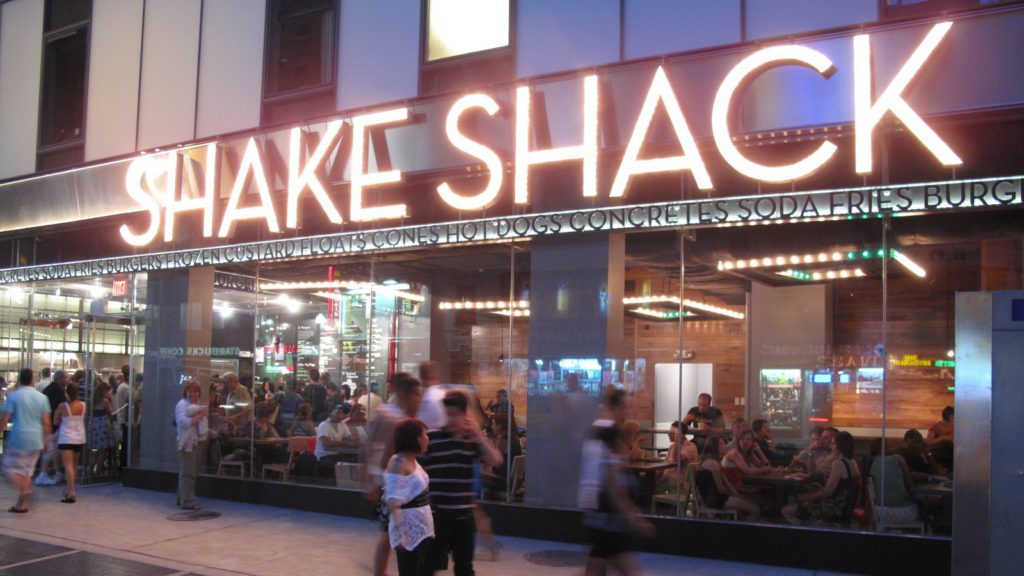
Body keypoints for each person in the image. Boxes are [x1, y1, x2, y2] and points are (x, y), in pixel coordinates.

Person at [418, 390, 502, 576]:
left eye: (455, 414)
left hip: (463, 517)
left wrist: (478, 436)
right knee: (428, 566)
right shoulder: (434, 437)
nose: (451, 419)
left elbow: (496, 460)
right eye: (448, 414)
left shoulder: (470, 440)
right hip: (437, 516)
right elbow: (415, 464)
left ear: (464, 414)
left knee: (464, 568)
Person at [578, 389, 654, 576]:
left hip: (597, 512)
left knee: (595, 568)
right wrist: (635, 517)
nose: (627, 411)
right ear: (617, 407)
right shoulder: (610, 432)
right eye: (625, 406)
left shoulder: (596, 429)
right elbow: (612, 482)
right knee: (628, 569)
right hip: (609, 516)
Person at [366, 373, 423, 576]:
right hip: (394, 487)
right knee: (390, 535)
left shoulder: (402, 417)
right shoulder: (394, 418)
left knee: (390, 535)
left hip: (396, 486)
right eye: (417, 394)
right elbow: (381, 453)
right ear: (403, 393)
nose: (420, 398)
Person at [384, 418, 434, 576]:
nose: (428, 438)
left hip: (422, 526)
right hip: (408, 529)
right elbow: (392, 500)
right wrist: (401, 534)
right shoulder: (398, 461)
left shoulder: (413, 459)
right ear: (416, 438)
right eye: (425, 435)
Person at [0, 368, 52, 513]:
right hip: (36, 440)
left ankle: (25, 492)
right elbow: (47, 422)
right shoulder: (42, 398)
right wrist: (47, 440)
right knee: (27, 472)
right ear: (32, 380)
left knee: (7, 469)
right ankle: (21, 505)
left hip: (19, 437)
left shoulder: (14, 396)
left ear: (20, 379)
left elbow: (5, 418)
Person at [782, 431, 860, 525]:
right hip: (845, 509)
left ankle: (810, 533)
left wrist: (809, 497)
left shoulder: (838, 463)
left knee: (785, 511)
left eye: (833, 443)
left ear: (841, 446)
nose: (831, 446)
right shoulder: (853, 462)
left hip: (832, 510)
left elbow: (828, 492)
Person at [696, 436, 761, 520]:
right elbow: (721, 489)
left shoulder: (716, 462)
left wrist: (738, 495)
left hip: (719, 497)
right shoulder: (712, 463)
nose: (726, 445)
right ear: (715, 446)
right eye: (722, 443)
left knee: (753, 503)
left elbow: (727, 483)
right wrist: (736, 496)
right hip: (715, 500)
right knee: (755, 509)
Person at [868, 438, 919, 526]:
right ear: (882, 449)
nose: (892, 447)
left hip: (879, 510)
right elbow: (910, 485)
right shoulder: (898, 459)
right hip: (903, 511)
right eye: (889, 445)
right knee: (926, 503)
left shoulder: (873, 462)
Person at [175, 380, 208, 510]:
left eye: (195, 391)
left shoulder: (194, 405)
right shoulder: (182, 405)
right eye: (190, 391)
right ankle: (188, 501)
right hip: (187, 444)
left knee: (188, 473)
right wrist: (199, 416)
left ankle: (181, 497)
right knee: (188, 473)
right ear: (186, 392)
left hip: (195, 442)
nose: (193, 394)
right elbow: (183, 422)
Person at [53, 381, 86, 503]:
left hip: (66, 437)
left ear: (66, 393)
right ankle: (71, 489)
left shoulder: (62, 406)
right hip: (79, 438)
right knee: (74, 466)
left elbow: (55, 421)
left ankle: (71, 493)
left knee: (67, 466)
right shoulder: (83, 405)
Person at [657, 421, 698, 493]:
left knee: (653, 486)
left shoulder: (691, 447)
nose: (668, 434)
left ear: (681, 434)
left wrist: (676, 440)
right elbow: (665, 464)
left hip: (680, 481)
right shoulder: (672, 446)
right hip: (668, 478)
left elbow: (677, 458)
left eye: (672, 433)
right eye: (669, 432)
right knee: (648, 479)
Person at [315, 404, 354, 468]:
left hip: (336, 455)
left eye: (342, 413)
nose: (340, 415)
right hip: (323, 456)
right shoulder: (324, 425)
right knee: (338, 467)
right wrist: (344, 443)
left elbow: (350, 438)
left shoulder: (342, 424)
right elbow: (326, 444)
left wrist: (358, 440)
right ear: (330, 413)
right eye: (338, 412)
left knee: (350, 464)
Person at [89, 380, 115, 475]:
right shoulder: (105, 401)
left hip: (93, 426)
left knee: (95, 451)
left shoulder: (92, 400)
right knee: (102, 451)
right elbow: (110, 413)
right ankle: (98, 472)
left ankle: (90, 470)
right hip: (103, 426)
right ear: (103, 391)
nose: (109, 393)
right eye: (107, 391)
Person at [416, 361, 447, 432]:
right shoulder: (445, 393)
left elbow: (420, 422)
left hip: (431, 438)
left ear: (421, 376)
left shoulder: (427, 398)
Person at [115, 370, 131, 469]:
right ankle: (123, 464)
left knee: (123, 443)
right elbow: (129, 402)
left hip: (122, 417)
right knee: (125, 443)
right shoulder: (126, 388)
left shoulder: (122, 386)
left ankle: (122, 464)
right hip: (124, 418)